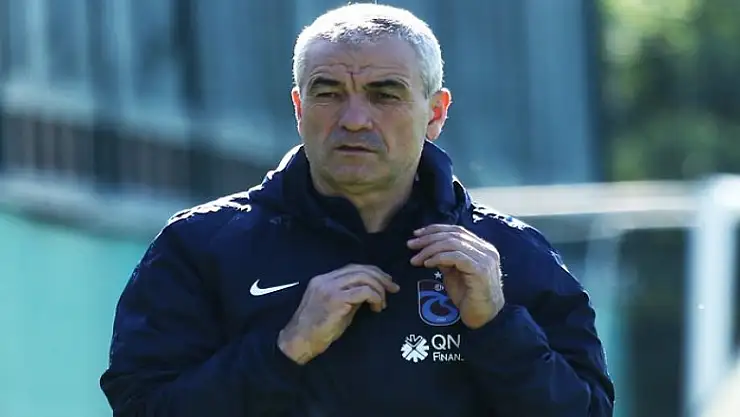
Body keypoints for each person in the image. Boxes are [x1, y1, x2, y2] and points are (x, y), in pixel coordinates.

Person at [100, 3, 615, 417]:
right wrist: (285, 348)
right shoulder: (202, 247)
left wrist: (498, 327)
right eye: (328, 93)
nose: (353, 119)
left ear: (435, 113)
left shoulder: (509, 257)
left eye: (384, 95)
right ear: (299, 108)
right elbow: (142, 407)